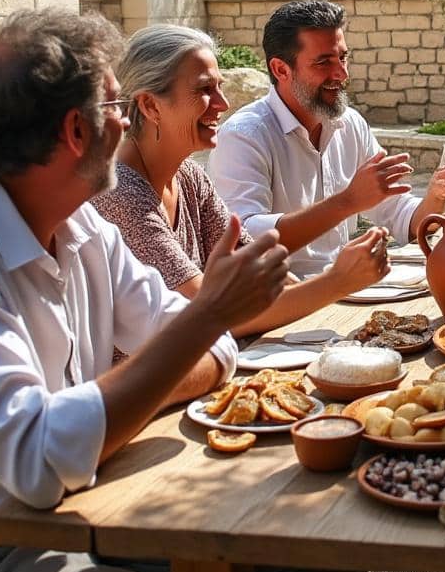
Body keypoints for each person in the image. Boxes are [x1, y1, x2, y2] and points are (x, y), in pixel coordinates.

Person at [0, 9, 291, 572]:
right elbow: (38, 460)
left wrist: (93, 423)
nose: (126, 124)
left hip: (82, 507)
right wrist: (204, 321)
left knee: (283, 551)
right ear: (76, 131)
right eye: (114, 107)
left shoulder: (83, 226)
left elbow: (216, 351)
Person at [93, 25, 389, 338]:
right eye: (205, 90)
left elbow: (260, 269)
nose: (222, 103)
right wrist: (338, 281)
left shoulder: (189, 177)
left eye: (219, 87)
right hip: (155, 385)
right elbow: (204, 317)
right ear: (150, 105)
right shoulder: (122, 194)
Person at [209, 0, 445, 278]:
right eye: (323, 62)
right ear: (281, 69)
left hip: (346, 291)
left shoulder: (350, 124)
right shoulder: (243, 137)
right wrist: (347, 202)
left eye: (342, 57)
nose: (341, 74)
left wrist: (436, 198)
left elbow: (402, 217)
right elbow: (242, 240)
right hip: (280, 304)